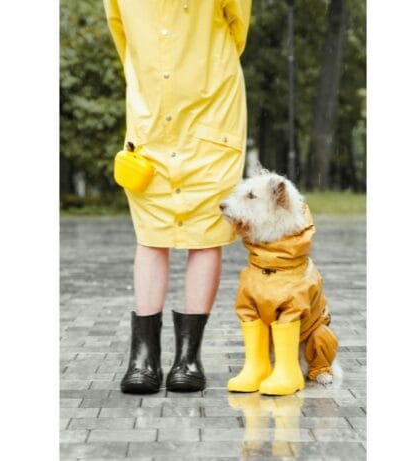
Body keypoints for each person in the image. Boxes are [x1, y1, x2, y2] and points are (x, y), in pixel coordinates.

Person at [103, 0, 252, 393]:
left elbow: (238, 27)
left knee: (207, 230)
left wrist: (201, 72)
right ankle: (144, 358)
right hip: (151, 115)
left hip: (213, 111)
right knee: (151, 231)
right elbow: (121, 32)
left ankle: (188, 357)